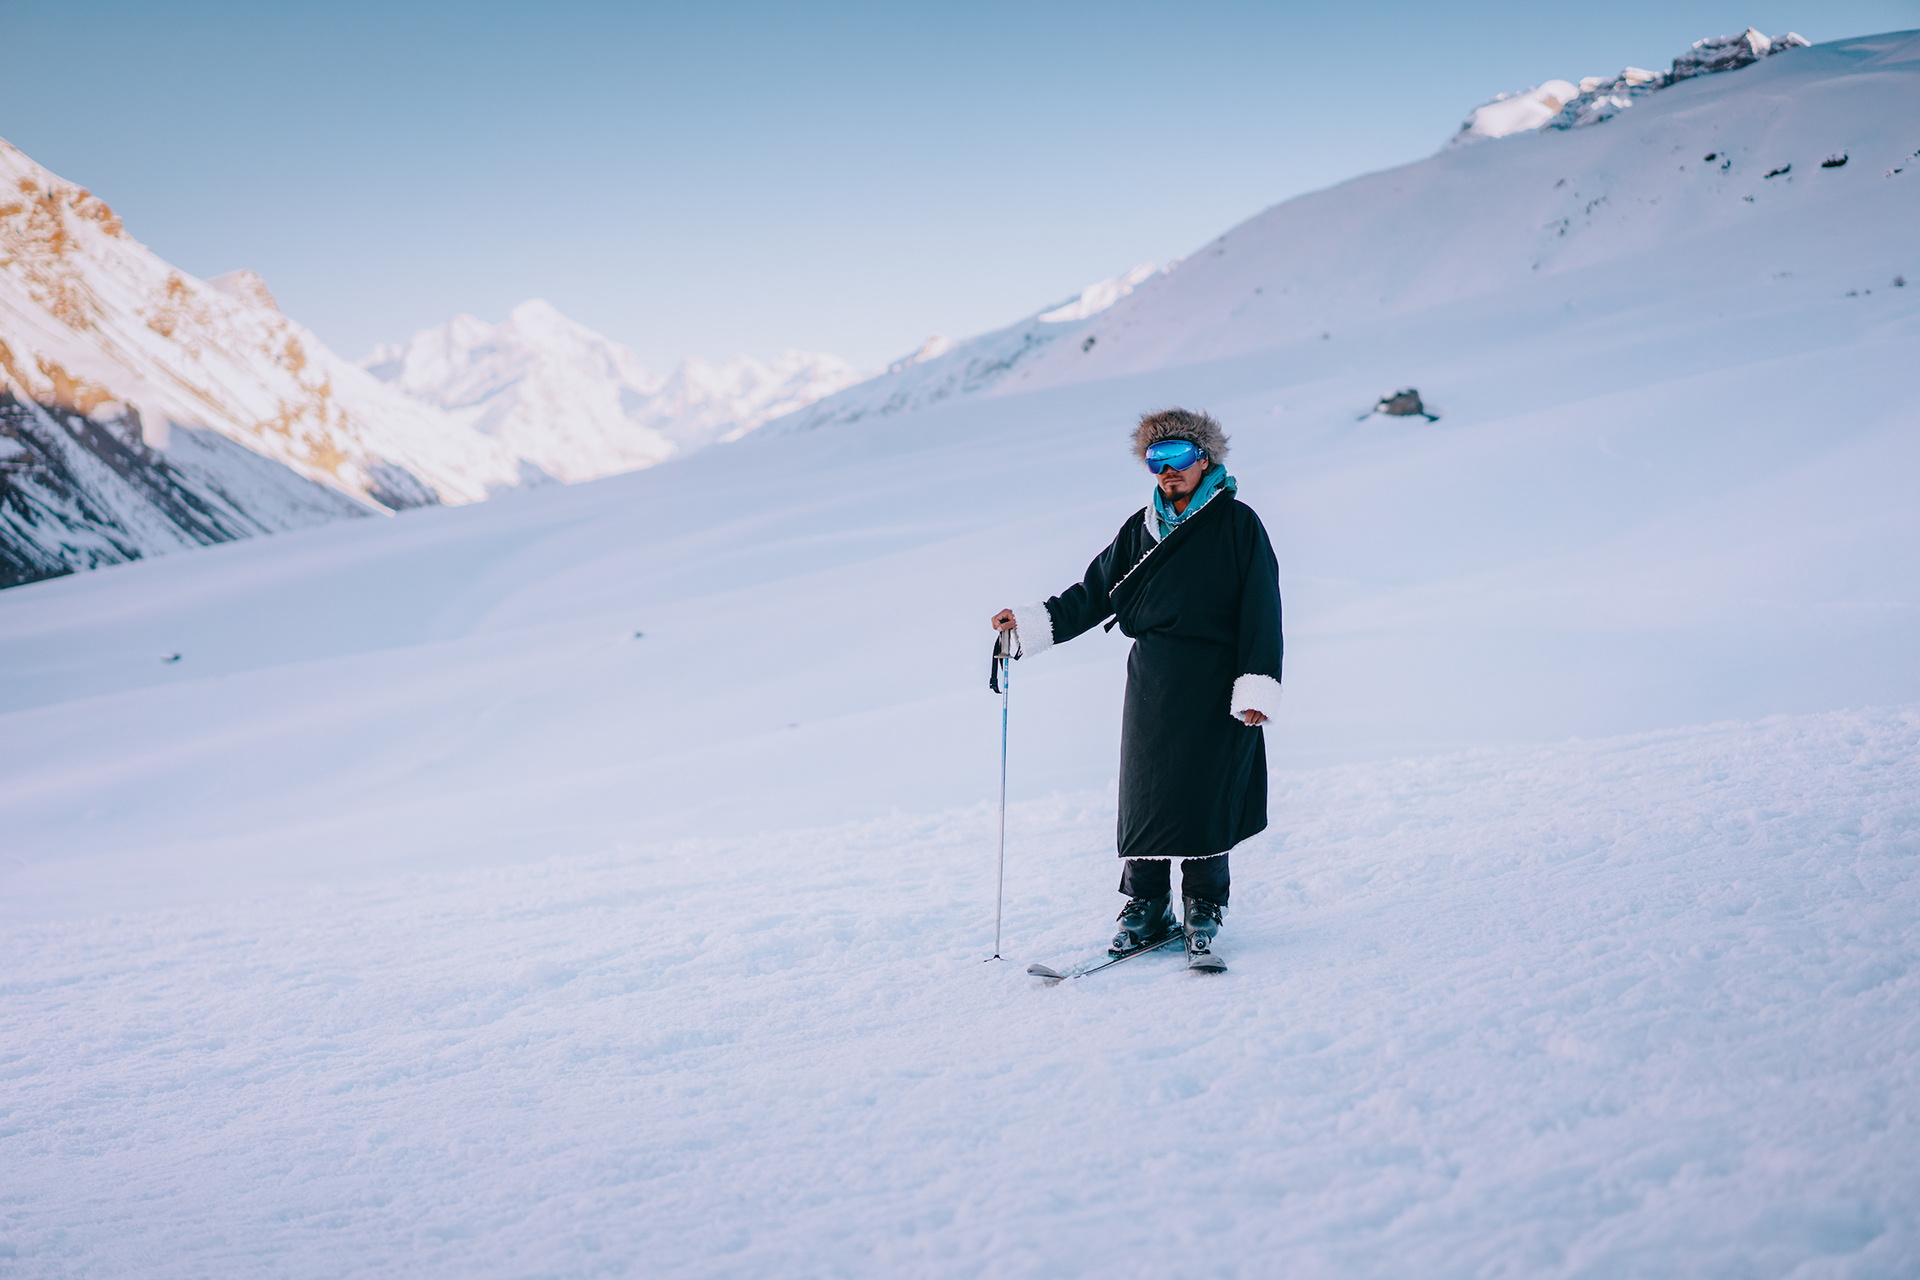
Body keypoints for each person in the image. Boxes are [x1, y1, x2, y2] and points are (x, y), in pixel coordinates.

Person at [991, 408, 1282, 967]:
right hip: (1153, 677)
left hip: (1219, 679)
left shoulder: (1237, 524)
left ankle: (1203, 907)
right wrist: (1026, 624)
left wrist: (1257, 686)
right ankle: (1146, 906)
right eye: (1155, 460)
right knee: (1147, 793)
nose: (1167, 470)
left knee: (1207, 792)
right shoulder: (1140, 529)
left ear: (1205, 460)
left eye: (1179, 457)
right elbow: (1093, 593)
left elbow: (1262, 610)